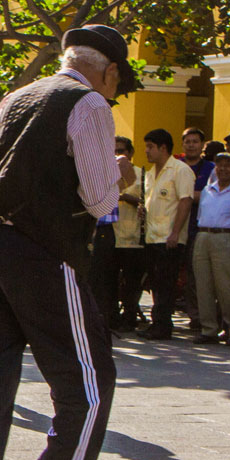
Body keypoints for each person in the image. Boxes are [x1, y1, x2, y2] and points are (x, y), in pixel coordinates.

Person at [0, 24, 138, 460]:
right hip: (44, 254)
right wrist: (120, 176)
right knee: (90, 385)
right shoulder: (91, 104)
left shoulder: (16, 97)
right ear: (110, 70)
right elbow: (101, 202)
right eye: (120, 79)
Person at [139, 128, 195, 340]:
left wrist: (175, 233)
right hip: (152, 237)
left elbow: (185, 201)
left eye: (151, 147)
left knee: (166, 283)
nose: (147, 151)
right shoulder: (151, 172)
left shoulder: (180, 170)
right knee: (155, 283)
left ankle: (163, 326)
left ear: (163, 148)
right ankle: (157, 322)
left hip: (169, 239)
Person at [89, 135, 142, 331]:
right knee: (99, 280)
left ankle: (118, 321)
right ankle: (102, 321)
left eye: (120, 151)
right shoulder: (97, 169)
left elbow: (136, 188)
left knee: (117, 281)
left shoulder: (130, 172)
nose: (115, 155)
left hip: (118, 232)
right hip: (98, 230)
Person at [192, 151, 230, 347]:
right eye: (219, 165)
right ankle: (209, 329)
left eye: (228, 165)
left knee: (226, 286)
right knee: (203, 285)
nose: (223, 169)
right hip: (203, 235)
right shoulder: (208, 189)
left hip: (226, 236)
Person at [178, 127, 215, 330]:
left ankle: (197, 317)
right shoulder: (175, 166)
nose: (191, 145)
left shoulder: (211, 168)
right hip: (173, 226)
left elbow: (211, 197)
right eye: (187, 141)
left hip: (197, 229)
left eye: (195, 141)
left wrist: (184, 195)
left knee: (196, 276)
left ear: (202, 145)